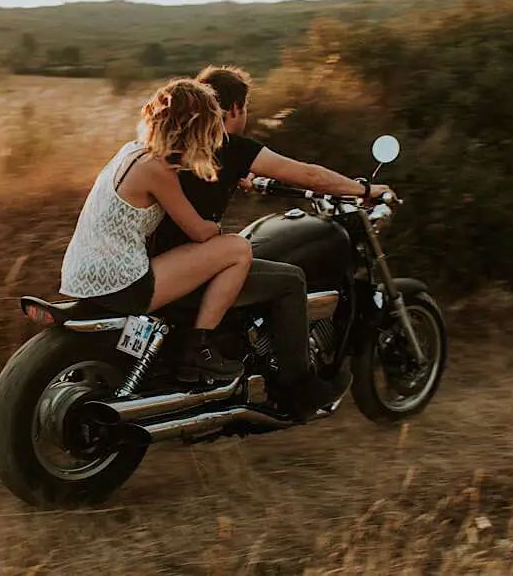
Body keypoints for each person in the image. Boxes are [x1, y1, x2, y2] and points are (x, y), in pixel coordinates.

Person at [147, 65, 394, 419]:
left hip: (156, 263)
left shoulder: (175, 143)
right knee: (290, 280)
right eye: (245, 109)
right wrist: (365, 190)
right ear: (233, 109)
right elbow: (309, 174)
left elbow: (206, 177)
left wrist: (242, 178)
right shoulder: (231, 146)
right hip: (185, 271)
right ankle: (296, 390)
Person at [60, 77, 252, 383]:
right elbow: (199, 232)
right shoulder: (157, 171)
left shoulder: (132, 152)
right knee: (237, 249)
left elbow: (185, 167)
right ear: (194, 127)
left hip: (79, 276)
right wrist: (216, 226)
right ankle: (199, 347)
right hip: (123, 284)